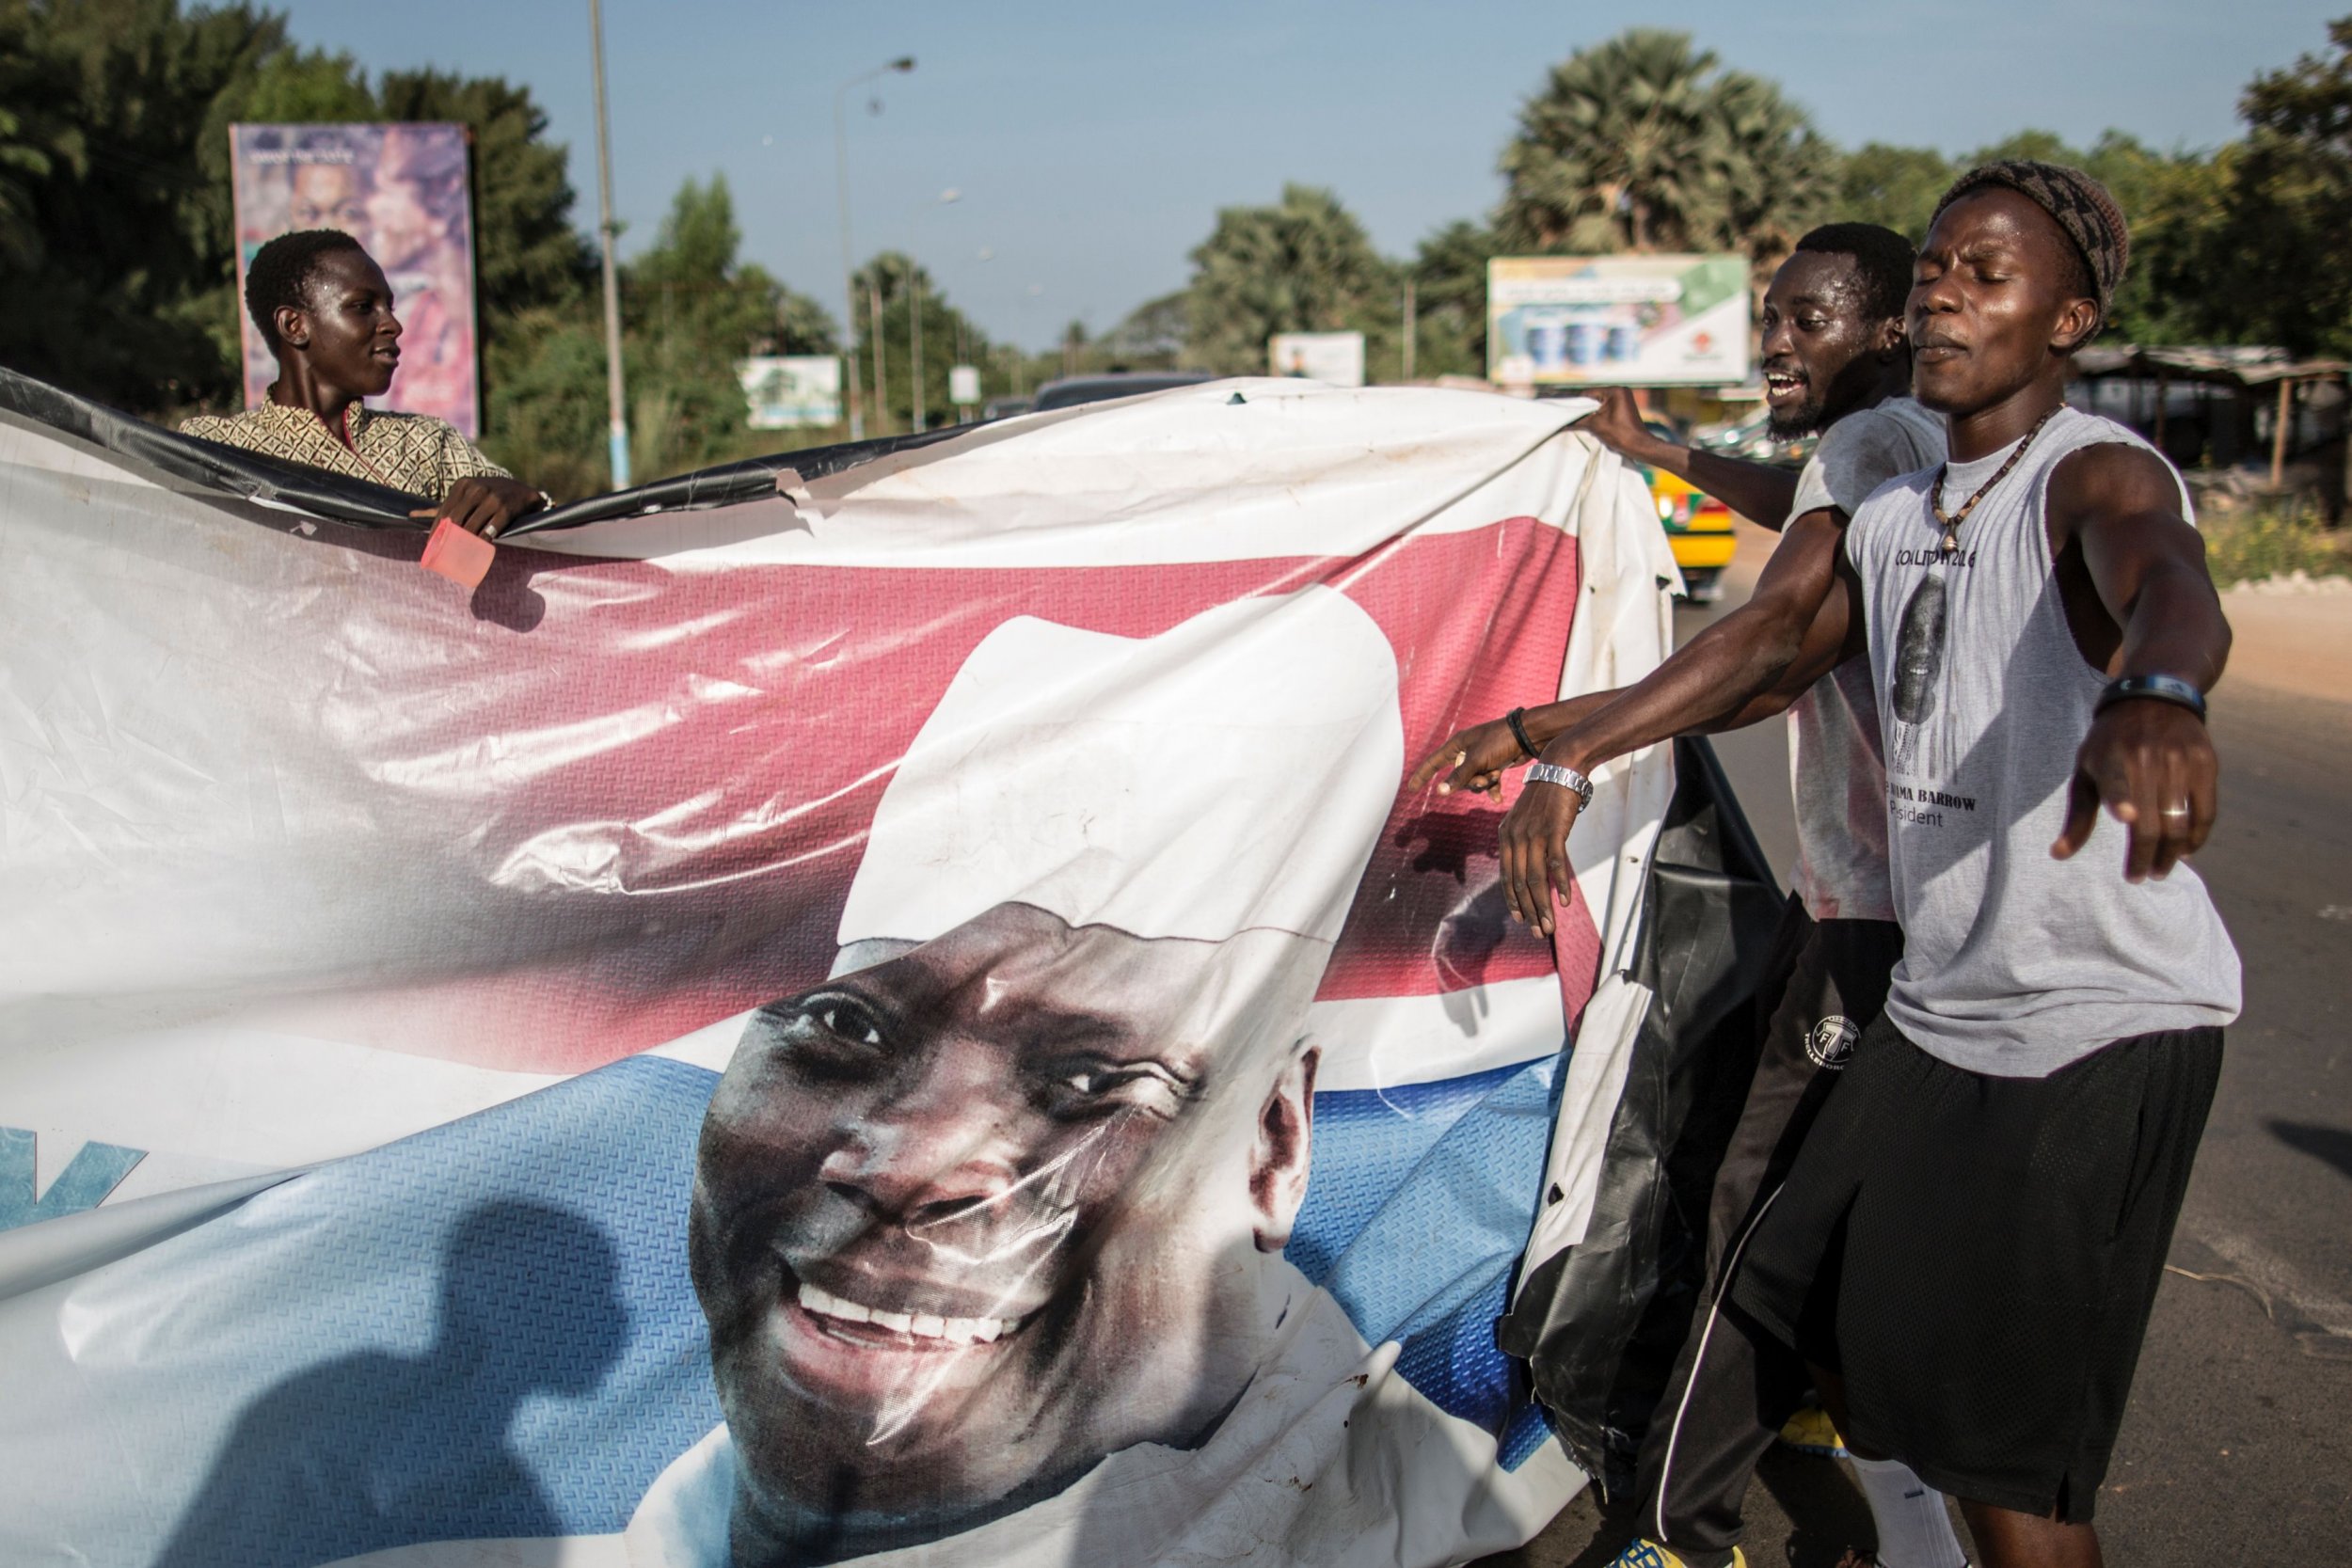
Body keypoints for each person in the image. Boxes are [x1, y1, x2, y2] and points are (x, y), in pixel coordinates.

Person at [1507, 162, 2241, 1568]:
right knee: (1843, 1305)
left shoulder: (2092, 466)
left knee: (2019, 1471)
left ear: (2071, 317)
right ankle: (1901, 1530)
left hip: (2098, 1023)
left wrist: (2162, 692)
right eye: (1938, 271)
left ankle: (1714, 1526)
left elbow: (2164, 572)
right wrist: (1552, 740)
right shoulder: (1906, 513)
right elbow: (1773, 648)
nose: (1949, 295)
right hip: (1942, 1013)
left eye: (1990, 275)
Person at [1412, 224, 1967, 1568]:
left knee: (1754, 1201)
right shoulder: (1891, 445)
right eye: (1770, 316)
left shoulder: (1874, 443)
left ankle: (1680, 1528)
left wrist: (1565, 740)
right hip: (1883, 905)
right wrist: (1661, 453)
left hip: (1882, 920)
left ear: (1887, 329)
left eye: (1808, 317)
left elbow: (1771, 646)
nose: (1776, 338)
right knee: (1815, 1192)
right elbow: (1796, 564)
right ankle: (1883, 1479)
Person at [182, 229, 546, 539]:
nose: (393, 325)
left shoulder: (428, 443)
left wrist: (524, 500)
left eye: (390, 306)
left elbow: (546, 546)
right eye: (363, 307)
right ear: (294, 326)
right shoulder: (215, 447)